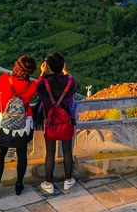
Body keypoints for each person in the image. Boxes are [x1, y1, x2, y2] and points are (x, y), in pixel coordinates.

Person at [0, 55, 39, 199]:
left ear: (17, 66)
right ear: (31, 71)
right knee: (22, 154)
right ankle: (19, 185)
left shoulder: (5, 79)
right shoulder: (33, 86)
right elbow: (41, 84)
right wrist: (43, 73)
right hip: (23, 123)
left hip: (4, 122)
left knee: (0, 154)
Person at [35, 52, 78, 195]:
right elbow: (74, 84)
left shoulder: (44, 83)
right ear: (63, 65)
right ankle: (68, 180)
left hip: (50, 123)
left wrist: (42, 73)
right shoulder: (70, 82)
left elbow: (37, 88)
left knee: (50, 152)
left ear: (48, 66)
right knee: (67, 151)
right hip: (66, 122)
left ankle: (49, 183)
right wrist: (65, 71)